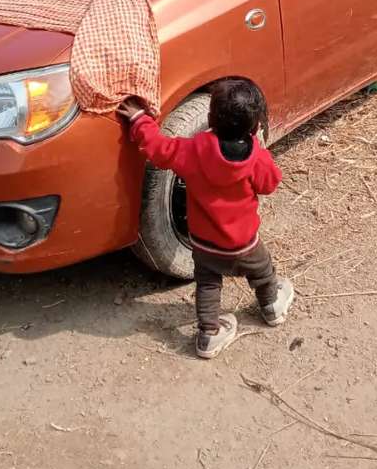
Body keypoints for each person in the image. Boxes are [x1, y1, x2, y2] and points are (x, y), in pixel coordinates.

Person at [118, 79, 294, 359]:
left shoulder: (193, 151)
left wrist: (139, 119)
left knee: (209, 285)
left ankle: (209, 335)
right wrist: (260, 151)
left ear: (210, 118)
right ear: (256, 126)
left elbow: (158, 149)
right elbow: (270, 183)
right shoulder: (256, 159)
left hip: (204, 246)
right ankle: (271, 306)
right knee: (263, 272)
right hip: (245, 244)